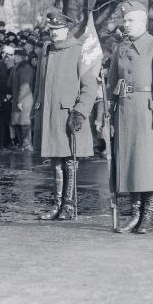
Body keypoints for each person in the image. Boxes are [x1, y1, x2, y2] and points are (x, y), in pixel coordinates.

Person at [106, 5, 153, 233]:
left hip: (147, 114)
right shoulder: (120, 48)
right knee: (130, 165)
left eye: (130, 21)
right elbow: (111, 84)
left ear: (142, 23)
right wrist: (105, 116)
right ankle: (135, 213)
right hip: (125, 114)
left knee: (149, 166)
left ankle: (148, 214)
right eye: (124, 20)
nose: (125, 24)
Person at [33, 13, 100, 221]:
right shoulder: (46, 51)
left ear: (66, 29)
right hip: (49, 113)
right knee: (55, 160)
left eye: (57, 29)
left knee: (70, 160)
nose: (53, 33)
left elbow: (89, 86)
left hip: (69, 115)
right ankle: (57, 203)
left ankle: (68, 205)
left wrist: (80, 111)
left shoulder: (78, 51)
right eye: (51, 30)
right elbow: (39, 84)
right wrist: (36, 107)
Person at [10, 48, 35, 150]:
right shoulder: (17, 68)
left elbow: (25, 86)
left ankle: (27, 144)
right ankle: (23, 144)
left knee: (24, 123)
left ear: (22, 57)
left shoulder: (25, 68)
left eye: (17, 56)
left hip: (24, 100)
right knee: (17, 123)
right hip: (18, 99)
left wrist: (20, 101)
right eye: (15, 56)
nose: (15, 58)